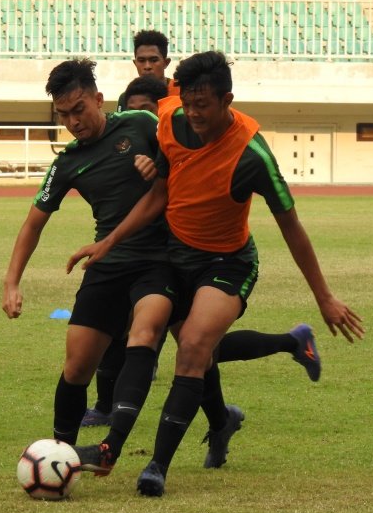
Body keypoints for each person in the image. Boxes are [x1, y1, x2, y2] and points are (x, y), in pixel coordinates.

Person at [68, 51, 364, 497]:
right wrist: (110, 241)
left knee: (192, 348)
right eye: (188, 102)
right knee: (171, 344)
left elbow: (293, 229)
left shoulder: (252, 154)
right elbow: (160, 193)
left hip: (227, 262)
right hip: (172, 256)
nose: (194, 113)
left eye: (204, 104)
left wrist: (324, 296)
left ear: (227, 99)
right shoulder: (169, 117)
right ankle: (219, 414)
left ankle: (154, 466)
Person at [81, 75, 323, 428]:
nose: (142, 118)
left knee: (192, 347)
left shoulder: (183, 121)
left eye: (147, 110)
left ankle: (125, 423)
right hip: (158, 255)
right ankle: (217, 415)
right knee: (179, 344)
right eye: (131, 112)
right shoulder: (136, 144)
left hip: (195, 255)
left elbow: (177, 189)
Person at [2, 58, 177, 474]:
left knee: (145, 332)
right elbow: (32, 223)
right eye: (63, 115)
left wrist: (159, 166)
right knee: (78, 364)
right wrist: (12, 282)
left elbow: (181, 157)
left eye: (79, 109)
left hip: (160, 258)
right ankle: (58, 455)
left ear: (99, 99)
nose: (73, 122)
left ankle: (110, 449)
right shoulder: (67, 162)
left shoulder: (139, 123)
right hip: (106, 261)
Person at [116, 30, 180, 113]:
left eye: (153, 60)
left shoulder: (180, 92)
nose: (147, 66)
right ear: (135, 63)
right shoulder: (126, 98)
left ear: (166, 63)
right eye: (141, 60)